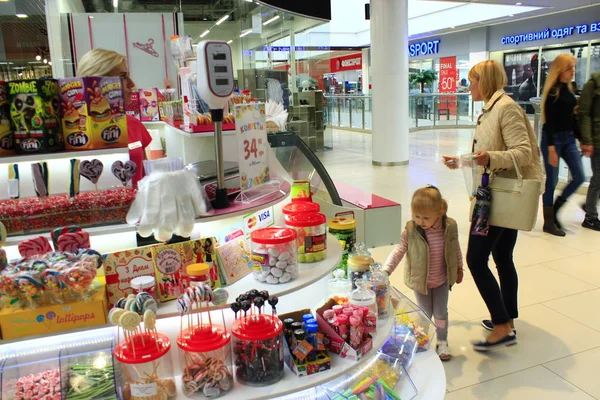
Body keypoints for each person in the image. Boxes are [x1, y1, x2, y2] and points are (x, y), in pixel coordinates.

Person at [443, 60, 544, 351]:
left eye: (473, 80)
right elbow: (489, 151)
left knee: (476, 259)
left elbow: (523, 152)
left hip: (499, 198)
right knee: (502, 256)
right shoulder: (492, 107)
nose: (469, 85)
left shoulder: (506, 108)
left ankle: (501, 326)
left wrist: (489, 159)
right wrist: (462, 161)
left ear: (484, 81)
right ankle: (508, 319)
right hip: (498, 193)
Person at [383, 186, 464, 361]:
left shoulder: (448, 228)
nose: (421, 221)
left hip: (442, 280)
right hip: (421, 283)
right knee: (424, 313)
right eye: (416, 216)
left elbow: (455, 248)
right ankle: (422, 338)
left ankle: (442, 341)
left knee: (441, 313)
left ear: (440, 212)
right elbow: (398, 251)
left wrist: (459, 267)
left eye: (426, 217)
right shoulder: (411, 231)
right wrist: (386, 270)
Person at [76, 49, 153, 190]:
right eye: (123, 77)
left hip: (138, 207)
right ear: (98, 82)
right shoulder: (74, 129)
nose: (132, 84)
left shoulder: (133, 124)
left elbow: (144, 175)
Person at [540, 54, 585, 236]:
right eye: (569, 68)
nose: (572, 72)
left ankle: (556, 208)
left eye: (573, 68)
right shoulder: (553, 91)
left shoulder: (569, 89)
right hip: (553, 139)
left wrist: (581, 139)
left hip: (568, 139)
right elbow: (549, 122)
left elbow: (572, 119)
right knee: (551, 180)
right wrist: (551, 148)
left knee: (579, 176)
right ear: (560, 70)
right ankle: (548, 221)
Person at [579, 72, 600, 230]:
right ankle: (591, 217)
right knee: (598, 179)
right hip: (597, 139)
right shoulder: (593, 83)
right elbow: (584, 114)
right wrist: (587, 140)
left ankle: (590, 204)